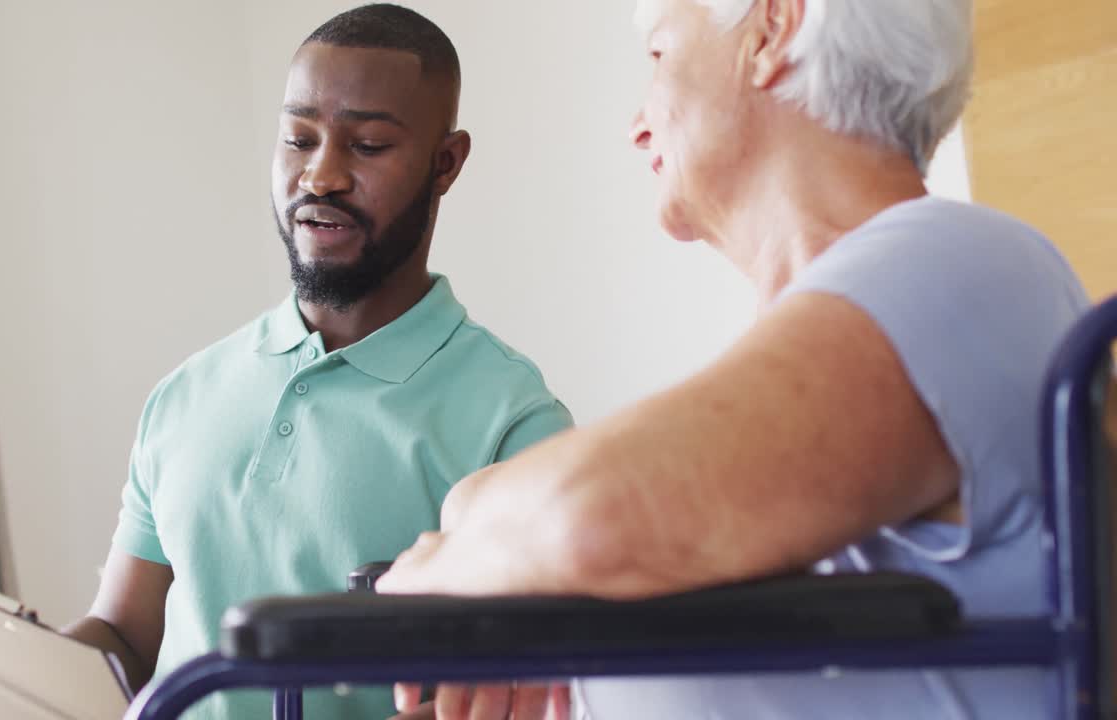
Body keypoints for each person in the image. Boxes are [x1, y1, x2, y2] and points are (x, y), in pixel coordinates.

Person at [0, 5, 572, 719]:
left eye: (369, 146)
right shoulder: (186, 395)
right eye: (298, 139)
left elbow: (530, 692)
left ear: (446, 163)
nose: (320, 177)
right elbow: (123, 640)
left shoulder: (513, 425)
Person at [384, 0, 1090, 718]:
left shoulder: (956, 265)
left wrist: (463, 556)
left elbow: (587, 518)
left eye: (658, 55)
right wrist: (498, 541)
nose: (636, 125)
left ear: (772, 29)